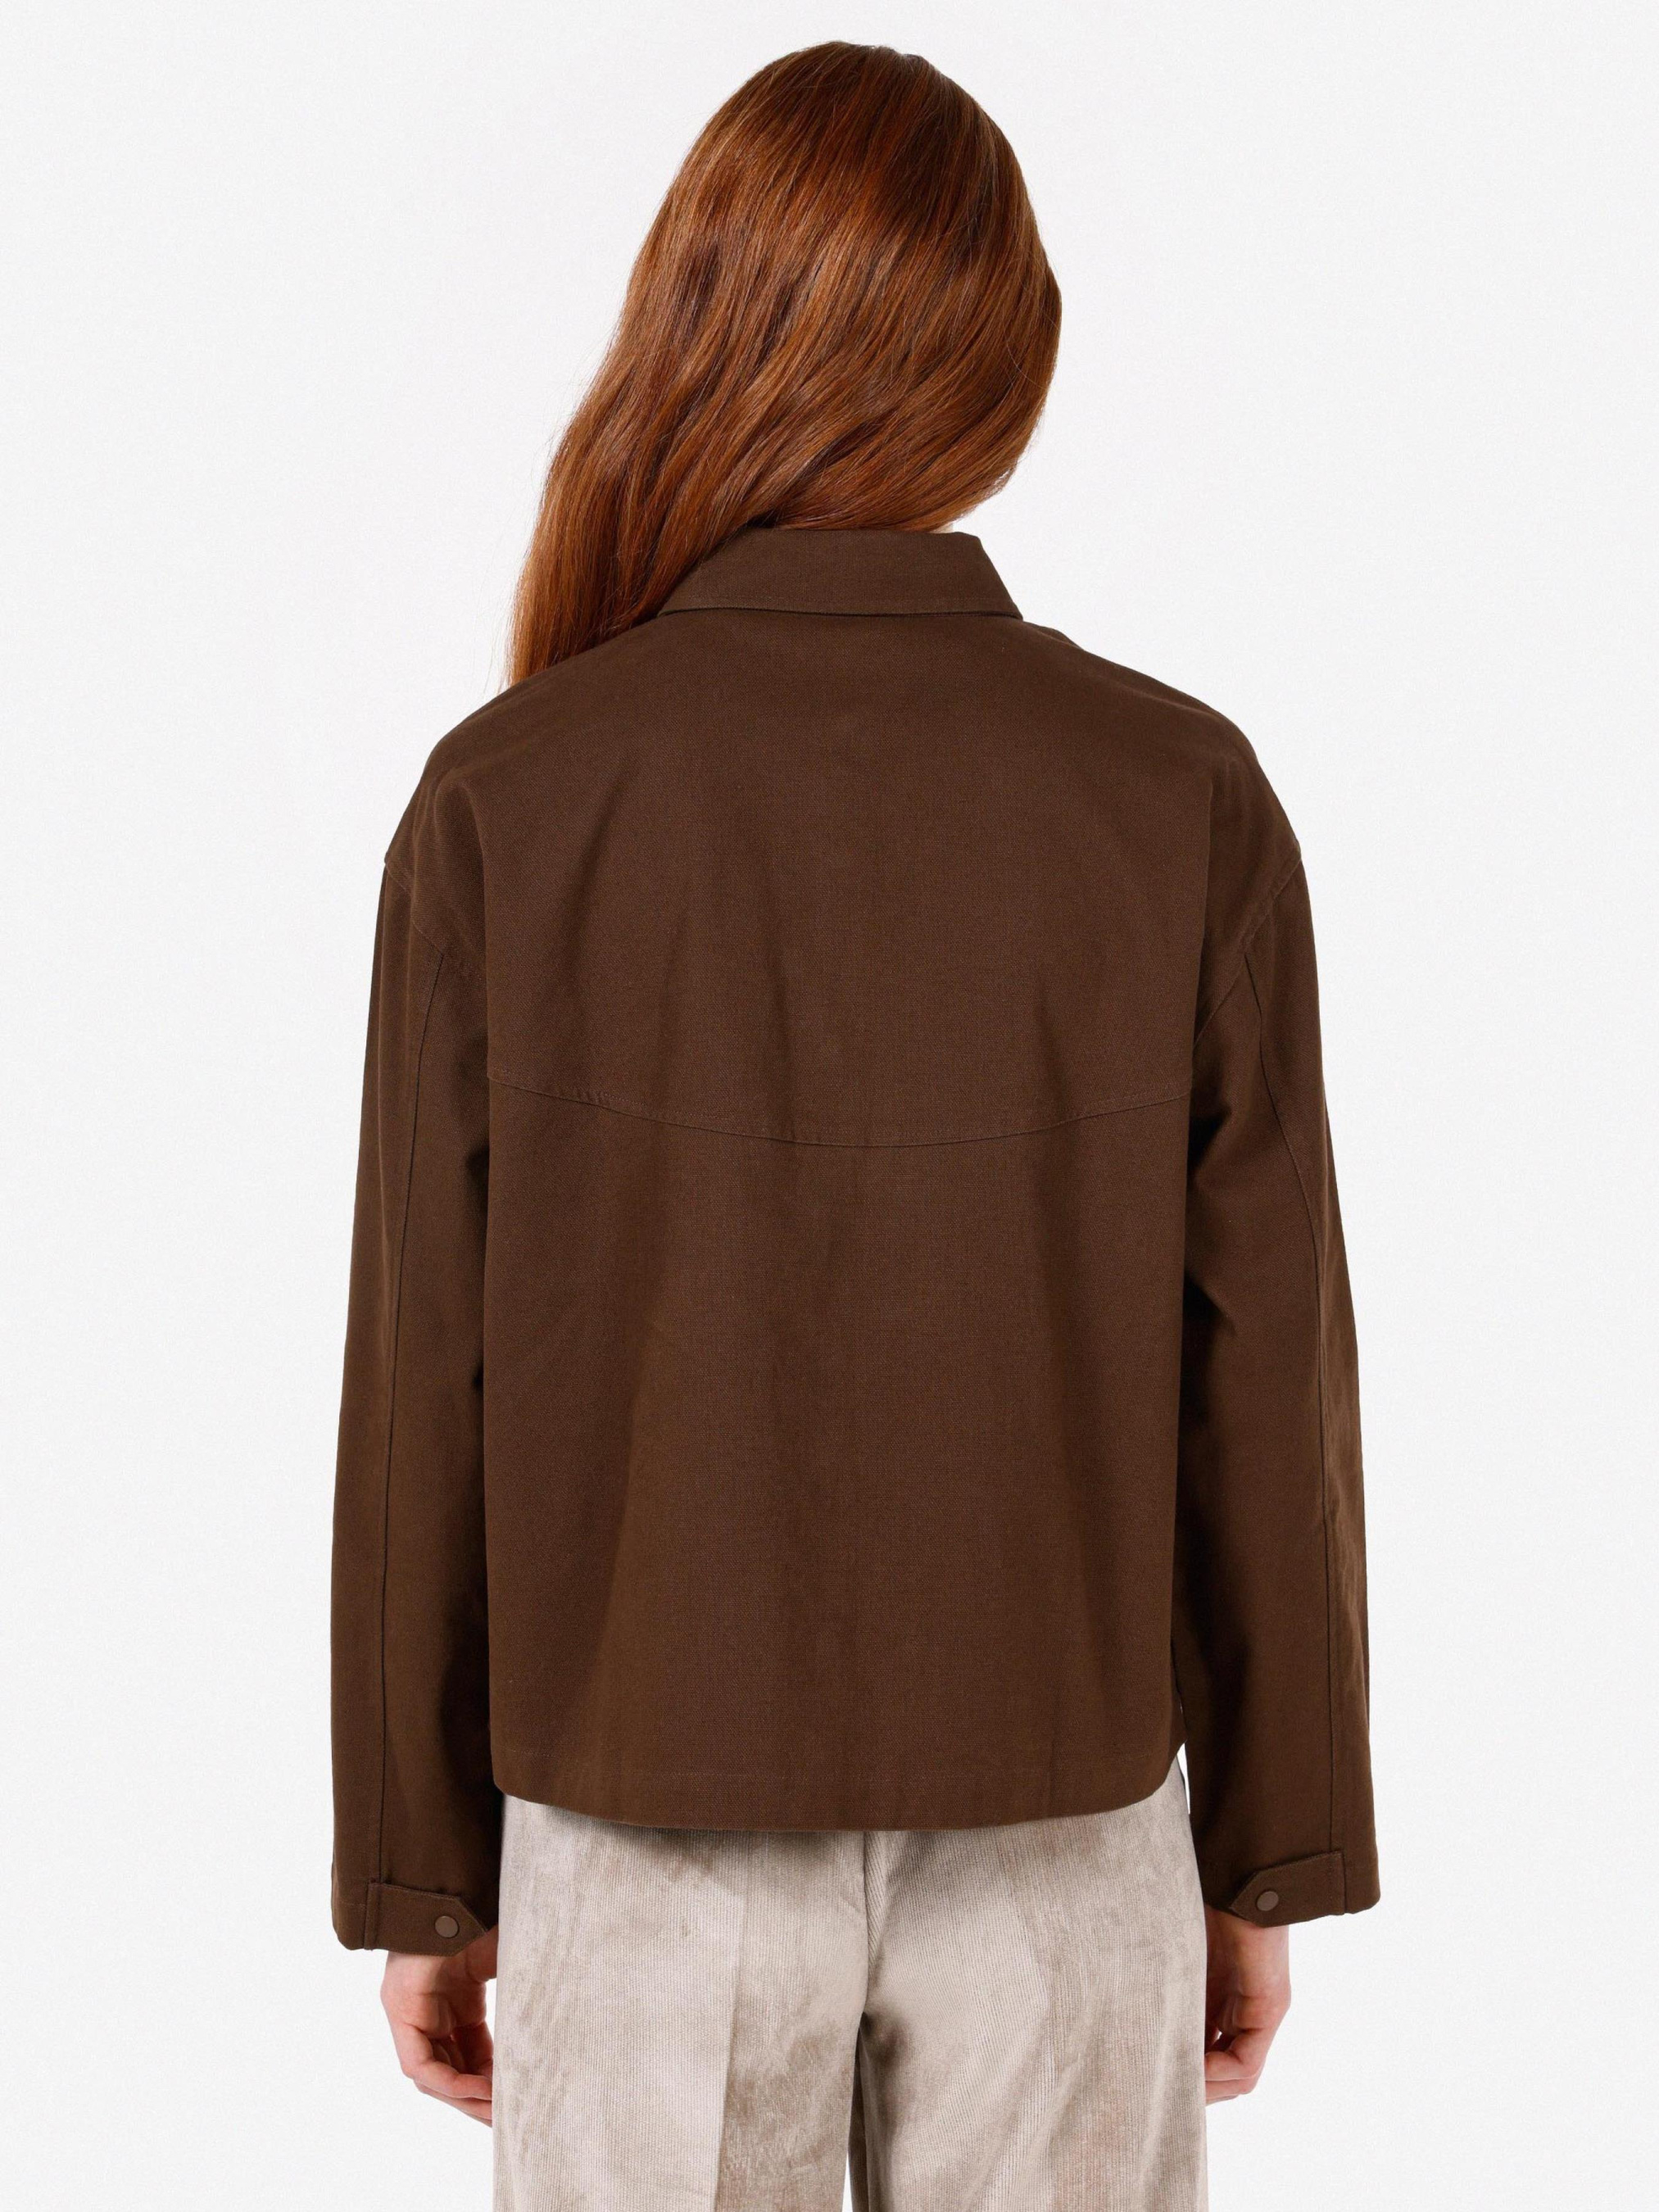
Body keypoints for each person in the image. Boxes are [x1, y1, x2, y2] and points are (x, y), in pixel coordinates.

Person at [329, 40, 1377, 2211]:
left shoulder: (512, 796)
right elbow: (1261, 1371)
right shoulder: (1174, 792)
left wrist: (426, 1872)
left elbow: (428, 1383)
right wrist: (1263, 1846)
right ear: (1004, 361)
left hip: (640, 1832)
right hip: (1066, 1822)